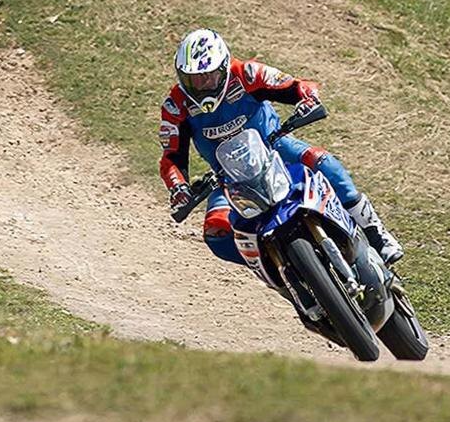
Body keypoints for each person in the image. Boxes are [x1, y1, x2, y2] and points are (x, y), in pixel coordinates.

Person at [158, 28, 403, 266]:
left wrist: (308, 99)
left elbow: (295, 85)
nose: (201, 85)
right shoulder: (175, 106)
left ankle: (376, 235)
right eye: (192, 80)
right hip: (228, 176)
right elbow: (171, 157)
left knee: (324, 163)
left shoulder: (247, 74)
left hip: (276, 147)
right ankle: (281, 275)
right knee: (216, 231)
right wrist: (178, 188)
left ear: (224, 67)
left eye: (208, 76)